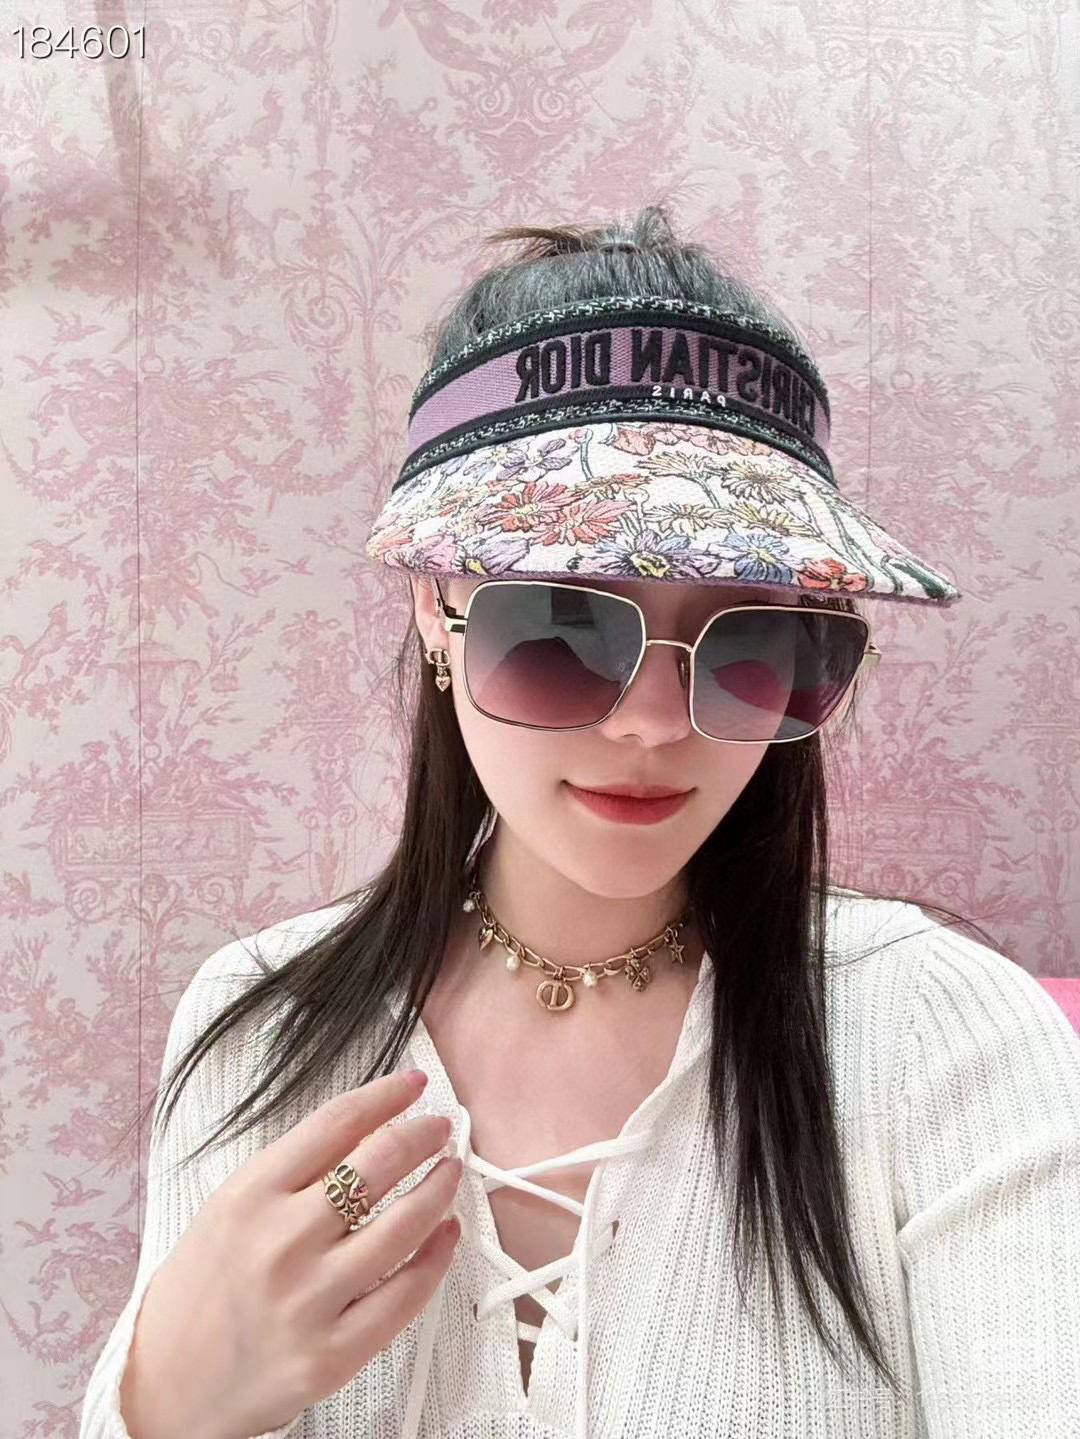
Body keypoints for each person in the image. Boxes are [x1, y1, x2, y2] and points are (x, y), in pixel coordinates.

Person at [81, 206, 1080, 1439]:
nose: (653, 723)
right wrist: (168, 1402)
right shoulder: (259, 1025)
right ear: (437, 608)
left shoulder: (945, 1038)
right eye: (563, 624)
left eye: (755, 638)